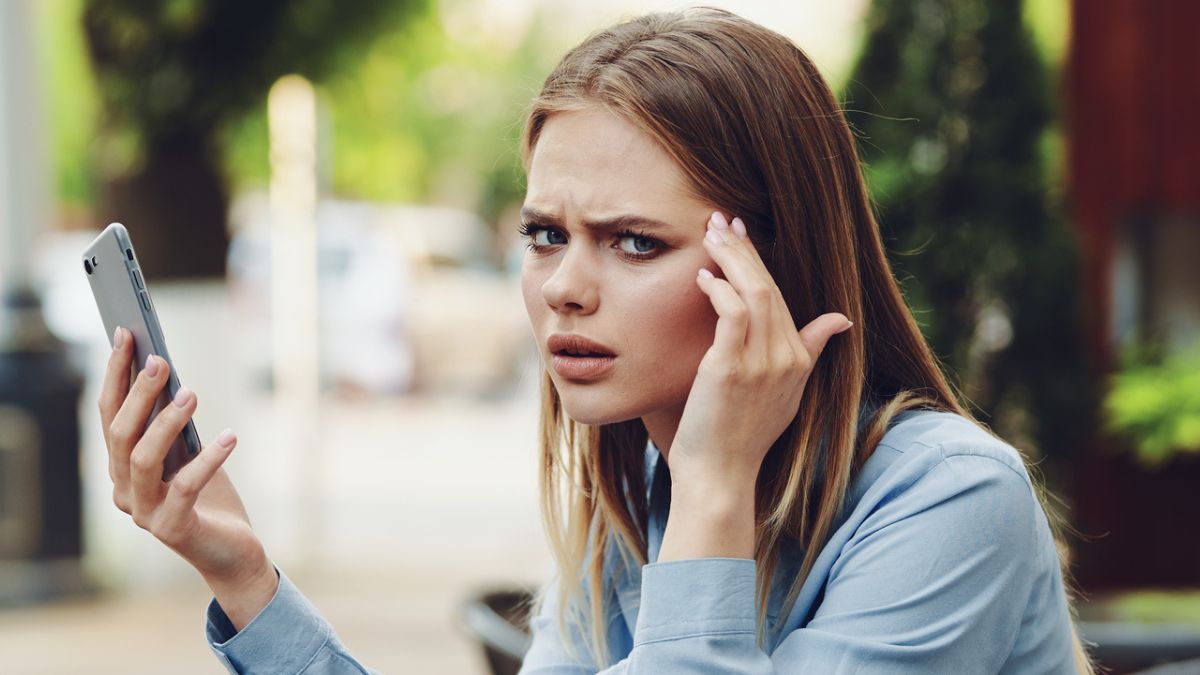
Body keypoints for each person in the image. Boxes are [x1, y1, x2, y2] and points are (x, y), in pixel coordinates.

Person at [97, 8, 1094, 674]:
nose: (564, 288)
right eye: (544, 235)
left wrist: (711, 490)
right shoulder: (634, 506)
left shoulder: (950, 503)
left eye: (633, 242)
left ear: (769, 276)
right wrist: (242, 575)